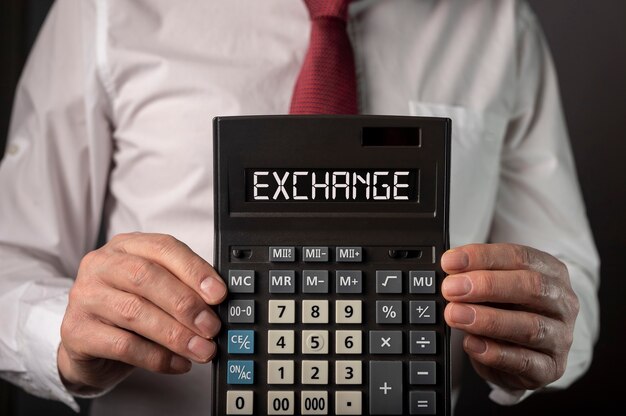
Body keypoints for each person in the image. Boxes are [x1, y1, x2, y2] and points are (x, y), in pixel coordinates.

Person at [0, 0, 600, 415]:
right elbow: (10, 259)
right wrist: (66, 334)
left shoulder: (499, 21)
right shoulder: (105, 10)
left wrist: (544, 331)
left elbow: (567, 275)